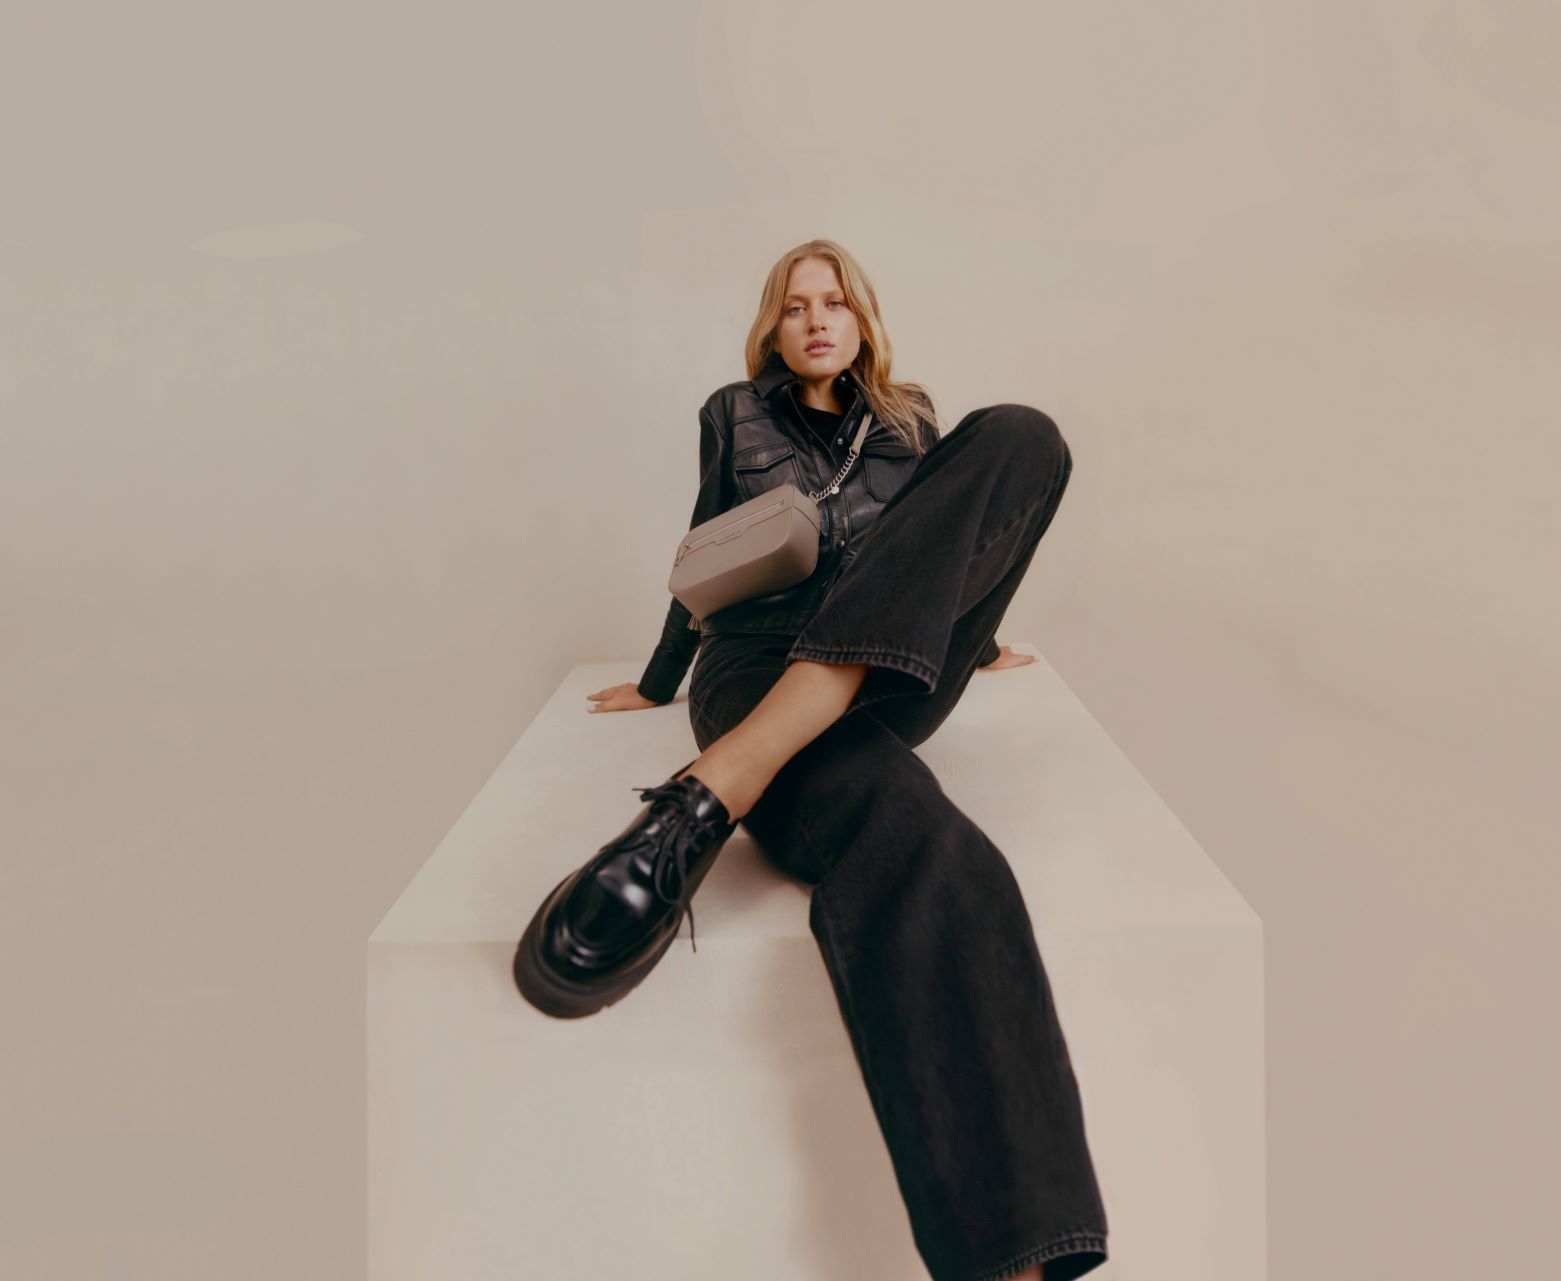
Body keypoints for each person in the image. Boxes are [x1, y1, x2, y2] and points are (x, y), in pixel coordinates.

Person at [514, 240, 1109, 1281]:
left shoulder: (912, 421)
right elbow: (700, 553)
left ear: (863, 321)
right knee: (931, 846)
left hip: (896, 666)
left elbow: (951, 545)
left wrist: (977, 641)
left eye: (835, 302)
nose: (817, 319)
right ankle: (1011, 1263)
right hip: (756, 659)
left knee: (1024, 431)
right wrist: (658, 680)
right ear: (774, 328)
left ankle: (716, 787)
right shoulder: (733, 414)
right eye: (795, 307)